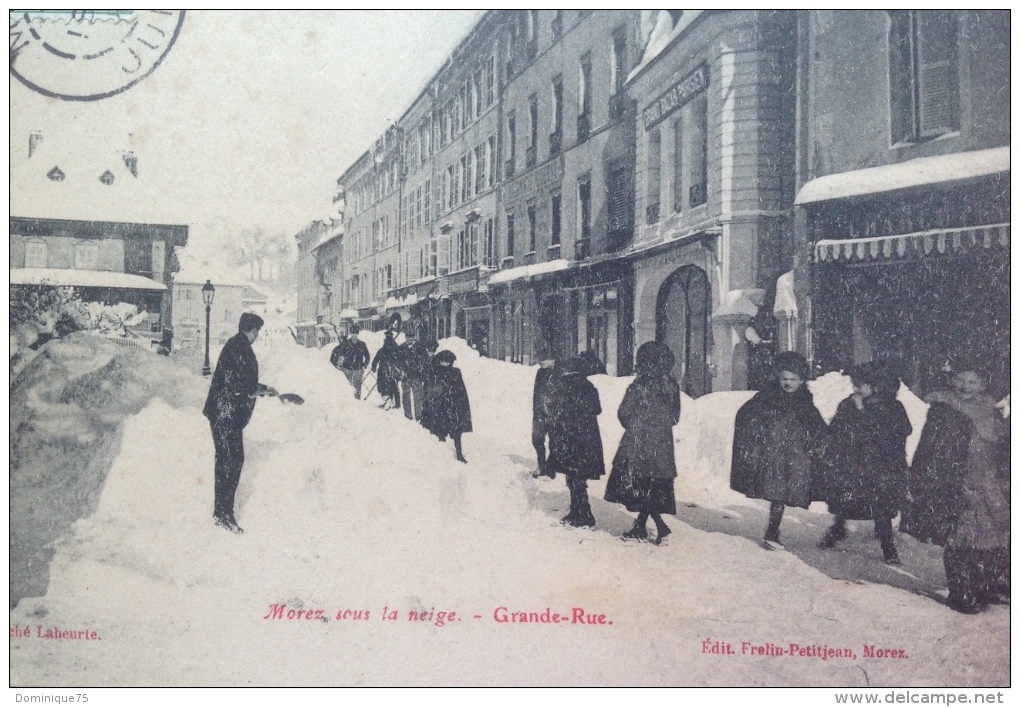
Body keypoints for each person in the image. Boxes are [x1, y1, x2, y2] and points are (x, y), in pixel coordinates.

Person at [912, 367, 1009, 613]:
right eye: (962, 380)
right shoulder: (944, 409)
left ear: (982, 385)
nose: (966, 386)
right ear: (953, 382)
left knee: (989, 538)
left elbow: (1001, 449)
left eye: (973, 381)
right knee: (958, 538)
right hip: (955, 481)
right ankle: (960, 592)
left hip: (987, 484)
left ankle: (984, 587)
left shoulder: (991, 412)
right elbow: (928, 447)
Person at [730, 351, 828, 550]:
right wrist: (759, 435)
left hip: (794, 455)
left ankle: (773, 531)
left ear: (801, 380)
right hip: (772, 454)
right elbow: (746, 415)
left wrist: (816, 442)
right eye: (784, 378)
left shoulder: (805, 402)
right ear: (777, 377)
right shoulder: (766, 398)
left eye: (793, 379)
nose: (788, 383)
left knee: (785, 493)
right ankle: (772, 533)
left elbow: (817, 426)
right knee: (777, 495)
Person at [818, 362, 912, 565]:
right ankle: (838, 529)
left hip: (883, 466)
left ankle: (888, 545)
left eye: (862, 385)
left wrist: (863, 412)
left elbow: (902, 430)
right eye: (855, 384)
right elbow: (836, 429)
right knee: (846, 499)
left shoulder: (892, 406)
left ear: (876, 385)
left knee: (882, 506)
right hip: (854, 464)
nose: (856, 389)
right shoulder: (847, 404)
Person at [203, 313, 277, 534]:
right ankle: (224, 513)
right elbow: (238, 385)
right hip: (226, 413)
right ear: (252, 330)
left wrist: (261, 389)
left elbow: (243, 382)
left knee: (230, 460)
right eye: (258, 331)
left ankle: (222, 511)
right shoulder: (239, 347)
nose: (258, 336)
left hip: (227, 412)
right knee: (230, 461)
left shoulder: (237, 345)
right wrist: (259, 390)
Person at [605, 341, 682, 545]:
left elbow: (623, 413)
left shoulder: (639, 386)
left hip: (638, 444)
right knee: (653, 486)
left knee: (641, 486)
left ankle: (660, 528)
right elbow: (675, 417)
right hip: (662, 446)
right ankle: (641, 527)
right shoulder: (672, 386)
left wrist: (636, 426)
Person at [546, 355, 605, 528]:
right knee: (578, 475)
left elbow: (556, 411)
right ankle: (576, 510)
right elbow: (598, 409)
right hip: (587, 438)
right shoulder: (589, 387)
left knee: (572, 476)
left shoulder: (563, 387)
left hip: (569, 437)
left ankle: (584, 514)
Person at [420, 350, 472, 462]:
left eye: (448, 362)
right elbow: (428, 390)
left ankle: (459, 454)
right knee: (439, 430)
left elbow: (461, 390)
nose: (445, 364)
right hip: (439, 407)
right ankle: (442, 456)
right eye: (443, 362)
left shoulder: (456, 372)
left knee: (456, 431)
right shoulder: (434, 372)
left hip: (452, 407)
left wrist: (459, 405)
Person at [745, 280, 779, 390]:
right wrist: (759, 341)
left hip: (768, 350)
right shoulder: (754, 314)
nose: (762, 301)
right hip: (758, 351)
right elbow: (749, 330)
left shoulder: (769, 314)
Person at [531, 350, 558, 479]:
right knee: (537, 439)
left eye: (543, 361)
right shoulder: (540, 372)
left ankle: (550, 468)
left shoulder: (559, 372)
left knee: (555, 441)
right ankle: (542, 466)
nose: (540, 363)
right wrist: (536, 409)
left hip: (554, 413)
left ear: (552, 360)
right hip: (540, 412)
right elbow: (536, 392)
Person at [397, 332, 430, 421]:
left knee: (418, 396)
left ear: (414, 338)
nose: (409, 340)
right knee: (406, 396)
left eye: (411, 338)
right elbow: (398, 361)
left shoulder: (420, 348)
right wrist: (402, 370)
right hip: (405, 376)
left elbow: (425, 360)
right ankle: (408, 415)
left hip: (417, 376)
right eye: (408, 338)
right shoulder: (401, 348)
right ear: (405, 338)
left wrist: (421, 370)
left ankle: (418, 415)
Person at [338, 327, 370, 399]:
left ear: (358, 334)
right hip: (347, 369)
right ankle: (347, 402)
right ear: (350, 334)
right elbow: (340, 355)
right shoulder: (345, 344)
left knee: (357, 387)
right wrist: (341, 365)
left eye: (355, 334)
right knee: (347, 386)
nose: (354, 336)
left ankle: (357, 402)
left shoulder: (362, 344)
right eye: (353, 334)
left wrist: (364, 365)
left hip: (358, 368)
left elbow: (367, 356)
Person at [372, 330, 401, 409]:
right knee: (385, 387)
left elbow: (400, 359)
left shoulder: (396, 349)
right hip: (383, 370)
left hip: (392, 370)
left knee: (392, 387)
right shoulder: (383, 350)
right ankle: (389, 402)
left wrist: (398, 368)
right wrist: (374, 366)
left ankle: (394, 403)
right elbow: (376, 358)